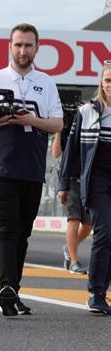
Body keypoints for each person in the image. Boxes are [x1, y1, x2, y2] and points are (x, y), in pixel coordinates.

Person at [0, 23, 63, 317]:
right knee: (7, 227)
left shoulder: (46, 83)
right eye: (18, 45)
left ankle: (13, 291)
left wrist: (31, 119)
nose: (23, 50)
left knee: (23, 232)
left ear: (37, 48)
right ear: (9, 47)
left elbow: (57, 124)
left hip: (32, 167)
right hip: (1, 166)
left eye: (28, 45)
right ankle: (6, 287)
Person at [58, 61, 111, 315]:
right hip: (97, 180)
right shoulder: (87, 112)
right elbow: (70, 151)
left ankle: (103, 289)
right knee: (105, 232)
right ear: (101, 82)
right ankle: (96, 294)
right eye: (108, 80)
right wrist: (63, 183)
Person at [51, 99, 91, 274]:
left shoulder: (92, 127)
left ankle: (69, 248)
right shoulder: (66, 130)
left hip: (88, 181)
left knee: (88, 225)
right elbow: (56, 153)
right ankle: (74, 262)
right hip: (71, 180)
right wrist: (59, 130)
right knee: (73, 220)